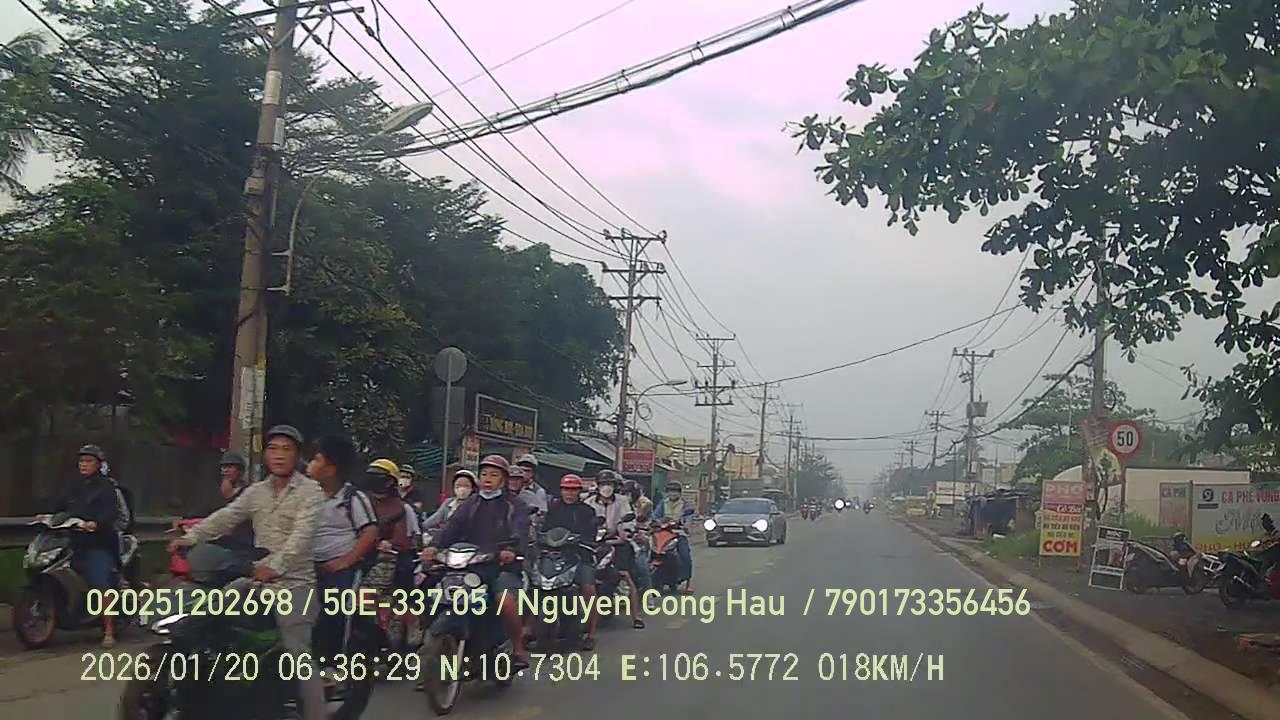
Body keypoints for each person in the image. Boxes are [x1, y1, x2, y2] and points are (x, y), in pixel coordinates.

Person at [168, 425, 325, 720]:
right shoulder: (257, 491)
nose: (279, 456)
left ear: (298, 456)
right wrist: (190, 538)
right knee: (209, 614)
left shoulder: (311, 492)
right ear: (265, 455)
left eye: (286, 449)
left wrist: (275, 567)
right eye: (273, 449)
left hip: (295, 585)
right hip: (255, 577)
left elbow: (301, 539)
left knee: (298, 654)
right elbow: (225, 518)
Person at [420, 454, 530, 668]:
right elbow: (451, 527)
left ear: (503, 480)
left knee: (505, 600)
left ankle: (518, 648)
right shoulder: (470, 503)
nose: (487, 479)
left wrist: (510, 549)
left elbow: (520, 531)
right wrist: (433, 547)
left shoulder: (514, 505)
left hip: (500, 566)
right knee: (430, 589)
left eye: (494, 475)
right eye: (484, 474)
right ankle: (426, 639)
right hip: (468, 565)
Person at [36, 444, 120, 647]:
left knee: (100, 584)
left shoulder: (106, 487)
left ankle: (109, 630)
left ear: (98, 465)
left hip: (98, 543)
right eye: (82, 461)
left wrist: (96, 523)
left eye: (89, 461)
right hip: (72, 541)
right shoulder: (74, 485)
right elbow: (60, 505)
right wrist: (47, 515)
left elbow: (110, 513)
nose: (84, 464)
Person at [307, 437, 376, 663]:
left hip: (341, 570)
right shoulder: (306, 497)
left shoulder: (352, 498)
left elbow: (370, 532)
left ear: (331, 469)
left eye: (317, 460)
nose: (310, 465)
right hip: (308, 567)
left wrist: (345, 562)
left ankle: (335, 663)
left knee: (337, 612)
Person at [541, 474, 601, 649]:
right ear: (561, 491)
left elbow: (591, 534)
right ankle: (529, 629)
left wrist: (582, 541)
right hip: (554, 556)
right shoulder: (553, 508)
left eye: (573, 490)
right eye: (566, 489)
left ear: (579, 492)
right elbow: (544, 531)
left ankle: (591, 633)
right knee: (535, 586)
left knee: (588, 589)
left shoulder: (587, 511)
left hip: (579, 556)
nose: (569, 493)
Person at [585, 470, 646, 629]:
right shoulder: (589, 502)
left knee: (626, 575)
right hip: (594, 544)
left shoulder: (622, 501)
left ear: (615, 486)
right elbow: (584, 521)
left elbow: (628, 520)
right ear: (597, 486)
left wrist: (625, 531)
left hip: (617, 542)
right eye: (603, 484)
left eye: (609, 484)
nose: (606, 487)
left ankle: (636, 616)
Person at [652, 481, 694, 593]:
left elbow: (689, 518)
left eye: (675, 491)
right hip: (663, 532)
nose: (673, 494)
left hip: (679, 533)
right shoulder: (663, 503)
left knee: (685, 555)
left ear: (680, 493)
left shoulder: (685, 505)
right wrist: (657, 522)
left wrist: (686, 525)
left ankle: (688, 584)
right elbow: (655, 515)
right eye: (671, 491)